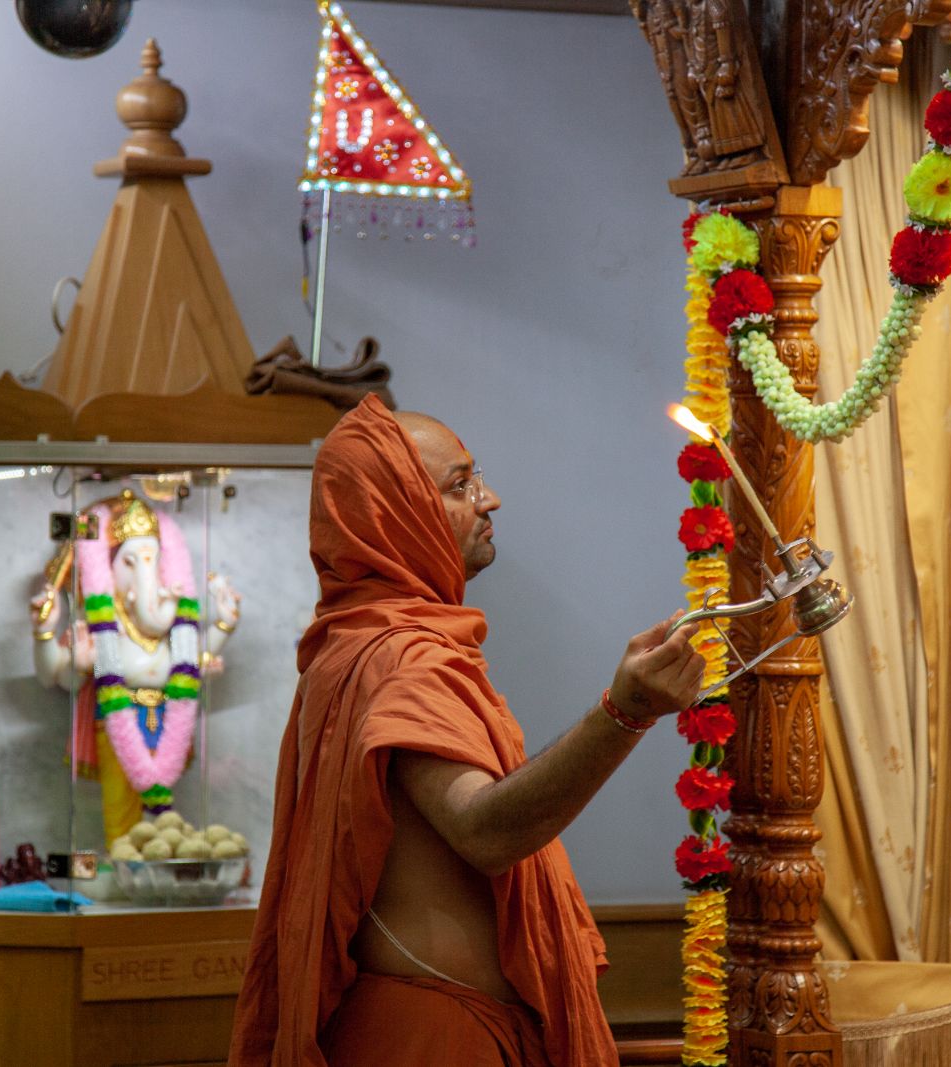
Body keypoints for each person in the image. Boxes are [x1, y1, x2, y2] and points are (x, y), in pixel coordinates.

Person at [229, 394, 702, 1066]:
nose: (492, 498)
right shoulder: (399, 657)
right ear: (397, 517)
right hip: (436, 1036)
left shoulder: (360, 645)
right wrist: (624, 714)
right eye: (461, 485)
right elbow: (484, 830)